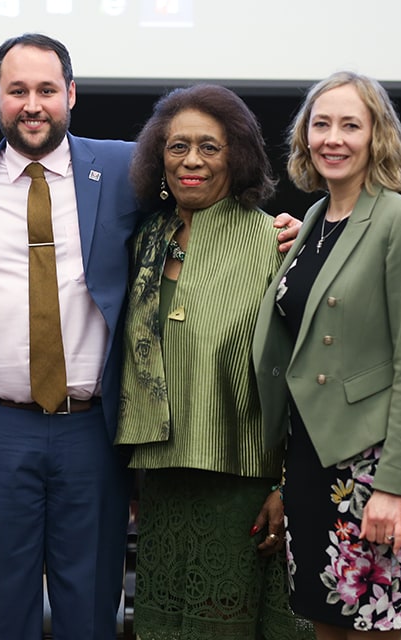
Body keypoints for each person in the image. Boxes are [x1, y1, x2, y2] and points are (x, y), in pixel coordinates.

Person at [0, 33, 301, 640]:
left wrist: (278, 232)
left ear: (71, 94)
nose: (33, 104)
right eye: (17, 91)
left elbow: (201, 207)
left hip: (93, 429)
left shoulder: (125, 168)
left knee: (93, 609)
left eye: (47, 89)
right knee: (0, 609)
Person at [114, 84, 314, 640]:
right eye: (177, 146)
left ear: (238, 156)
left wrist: (287, 487)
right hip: (162, 485)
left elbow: (301, 374)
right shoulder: (144, 242)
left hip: (244, 489)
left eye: (210, 146)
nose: (192, 160)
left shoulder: (274, 243)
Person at [253, 71, 401, 639]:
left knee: (372, 627)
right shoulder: (312, 221)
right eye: (320, 124)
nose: (333, 138)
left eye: (350, 125)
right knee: (324, 623)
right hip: (310, 457)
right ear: (304, 136)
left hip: (370, 463)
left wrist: (394, 487)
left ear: (377, 136)